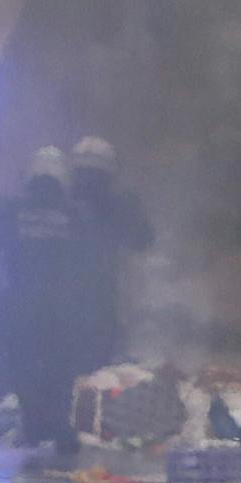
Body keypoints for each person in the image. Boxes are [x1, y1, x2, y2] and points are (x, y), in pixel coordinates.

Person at [0, 146, 83, 455]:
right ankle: (60, 427)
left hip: (20, 303)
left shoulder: (9, 211)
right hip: (61, 307)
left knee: (24, 366)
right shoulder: (73, 214)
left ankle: (35, 424)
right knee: (60, 368)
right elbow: (91, 261)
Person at [68, 135, 154, 372]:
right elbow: (144, 239)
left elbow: (142, 239)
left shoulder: (65, 204)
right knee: (97, 370)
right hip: (100, 301)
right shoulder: (118, 205)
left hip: (71, 302)